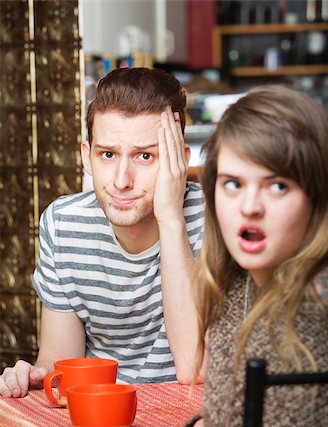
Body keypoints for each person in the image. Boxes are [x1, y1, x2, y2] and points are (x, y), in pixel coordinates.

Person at [0, 67, 205, 397]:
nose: (122, 180)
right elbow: (60, 362)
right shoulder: (64, 223)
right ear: (87, 156)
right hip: (98, 414)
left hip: (188, 414)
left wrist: (170, 218)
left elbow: (194, 368)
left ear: (179, 162)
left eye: (145, 156)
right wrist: (34, 378)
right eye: (108, 154)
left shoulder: (215, 217)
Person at [179, 85, 328, 427]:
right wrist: (206, 425)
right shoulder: (231, 281)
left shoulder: (327, 300)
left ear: (318, 198)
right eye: (233, 184)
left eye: (278, 186)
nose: (250, 206)